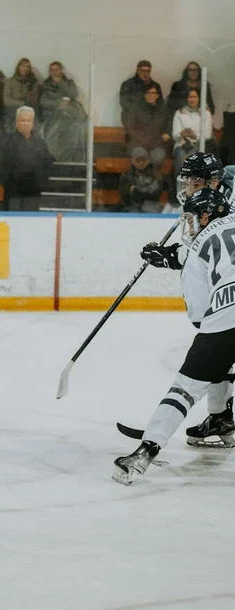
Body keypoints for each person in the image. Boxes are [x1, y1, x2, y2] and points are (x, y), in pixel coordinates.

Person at [113, 189, 235, 484]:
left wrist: (216, 354)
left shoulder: (198, 247)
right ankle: (221, 419)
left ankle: (144, 453)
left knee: (185, 389)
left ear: (205, 216)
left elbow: (199, 315)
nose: (190, 224)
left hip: (225, 319)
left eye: (193, 218)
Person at [0, 106, 54, 211]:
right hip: (14, 194)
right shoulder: (7, 142)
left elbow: (47, 163)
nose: (26, 123)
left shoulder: (40, 142)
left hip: (33, 193)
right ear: (16, 123)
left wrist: (41, 182)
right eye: (22, 120)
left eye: (29, 120)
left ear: (33, 123)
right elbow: (2, 167)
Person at [118, 147, 164, 213]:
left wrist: (136, 190)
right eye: (138, 160)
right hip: (132, 207)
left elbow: (155, 194)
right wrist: (144, 191)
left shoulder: (156, 175)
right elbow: (124, 196)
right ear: (132, 161)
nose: (141, 162)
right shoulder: (126, 176)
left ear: (148, 160)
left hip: (152, 206)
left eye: (144, 160)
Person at [120, 60, 162, 128]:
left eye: (148, 71)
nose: (145, 73)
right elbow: (124, 103)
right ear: (137, 70)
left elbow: (160, 104)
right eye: (143, 70)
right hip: (133, 120)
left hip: (151, 119)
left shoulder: (156, 86)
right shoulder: (127, 85)